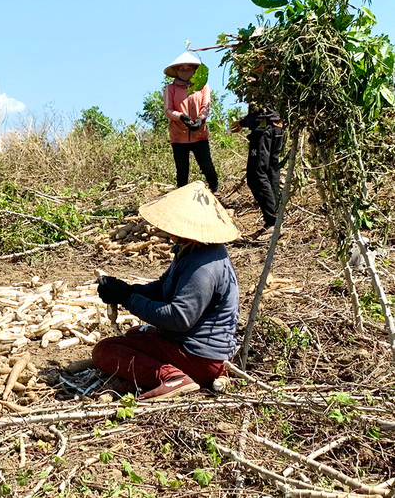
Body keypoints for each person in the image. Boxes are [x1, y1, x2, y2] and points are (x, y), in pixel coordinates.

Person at [92, 181, 240, 400]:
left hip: (201, 358)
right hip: (198, 349)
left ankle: (173, 378)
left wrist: (128, 298)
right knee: (135, 334)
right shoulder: (193, 250)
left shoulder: (203, 267)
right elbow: (163, 287)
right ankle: (171, 373)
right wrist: (127, 290)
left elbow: (178, 319)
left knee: (104, 350)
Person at [163, 52, 219, 192]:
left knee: (206, 165)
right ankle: (181, 199)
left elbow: (206, 106)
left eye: (189, 69)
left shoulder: (203, 87)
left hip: (199, 135)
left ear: (195, 70)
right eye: (182, 69)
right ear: (176, 71)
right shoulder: (170, 89)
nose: (186, 72)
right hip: (178, 136)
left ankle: (215, 191)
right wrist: (181, 117)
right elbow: (168, 110)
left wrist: (200, 120)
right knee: (182, 169)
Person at [230, 104, 284, 240]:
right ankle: (275, 222)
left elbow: (260, 108)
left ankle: (273, 222)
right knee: (271, 172)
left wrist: (244, 122)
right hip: (277, 127)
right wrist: (243, 122)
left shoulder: (260, 86)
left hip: (264, 128)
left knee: (256, 175)